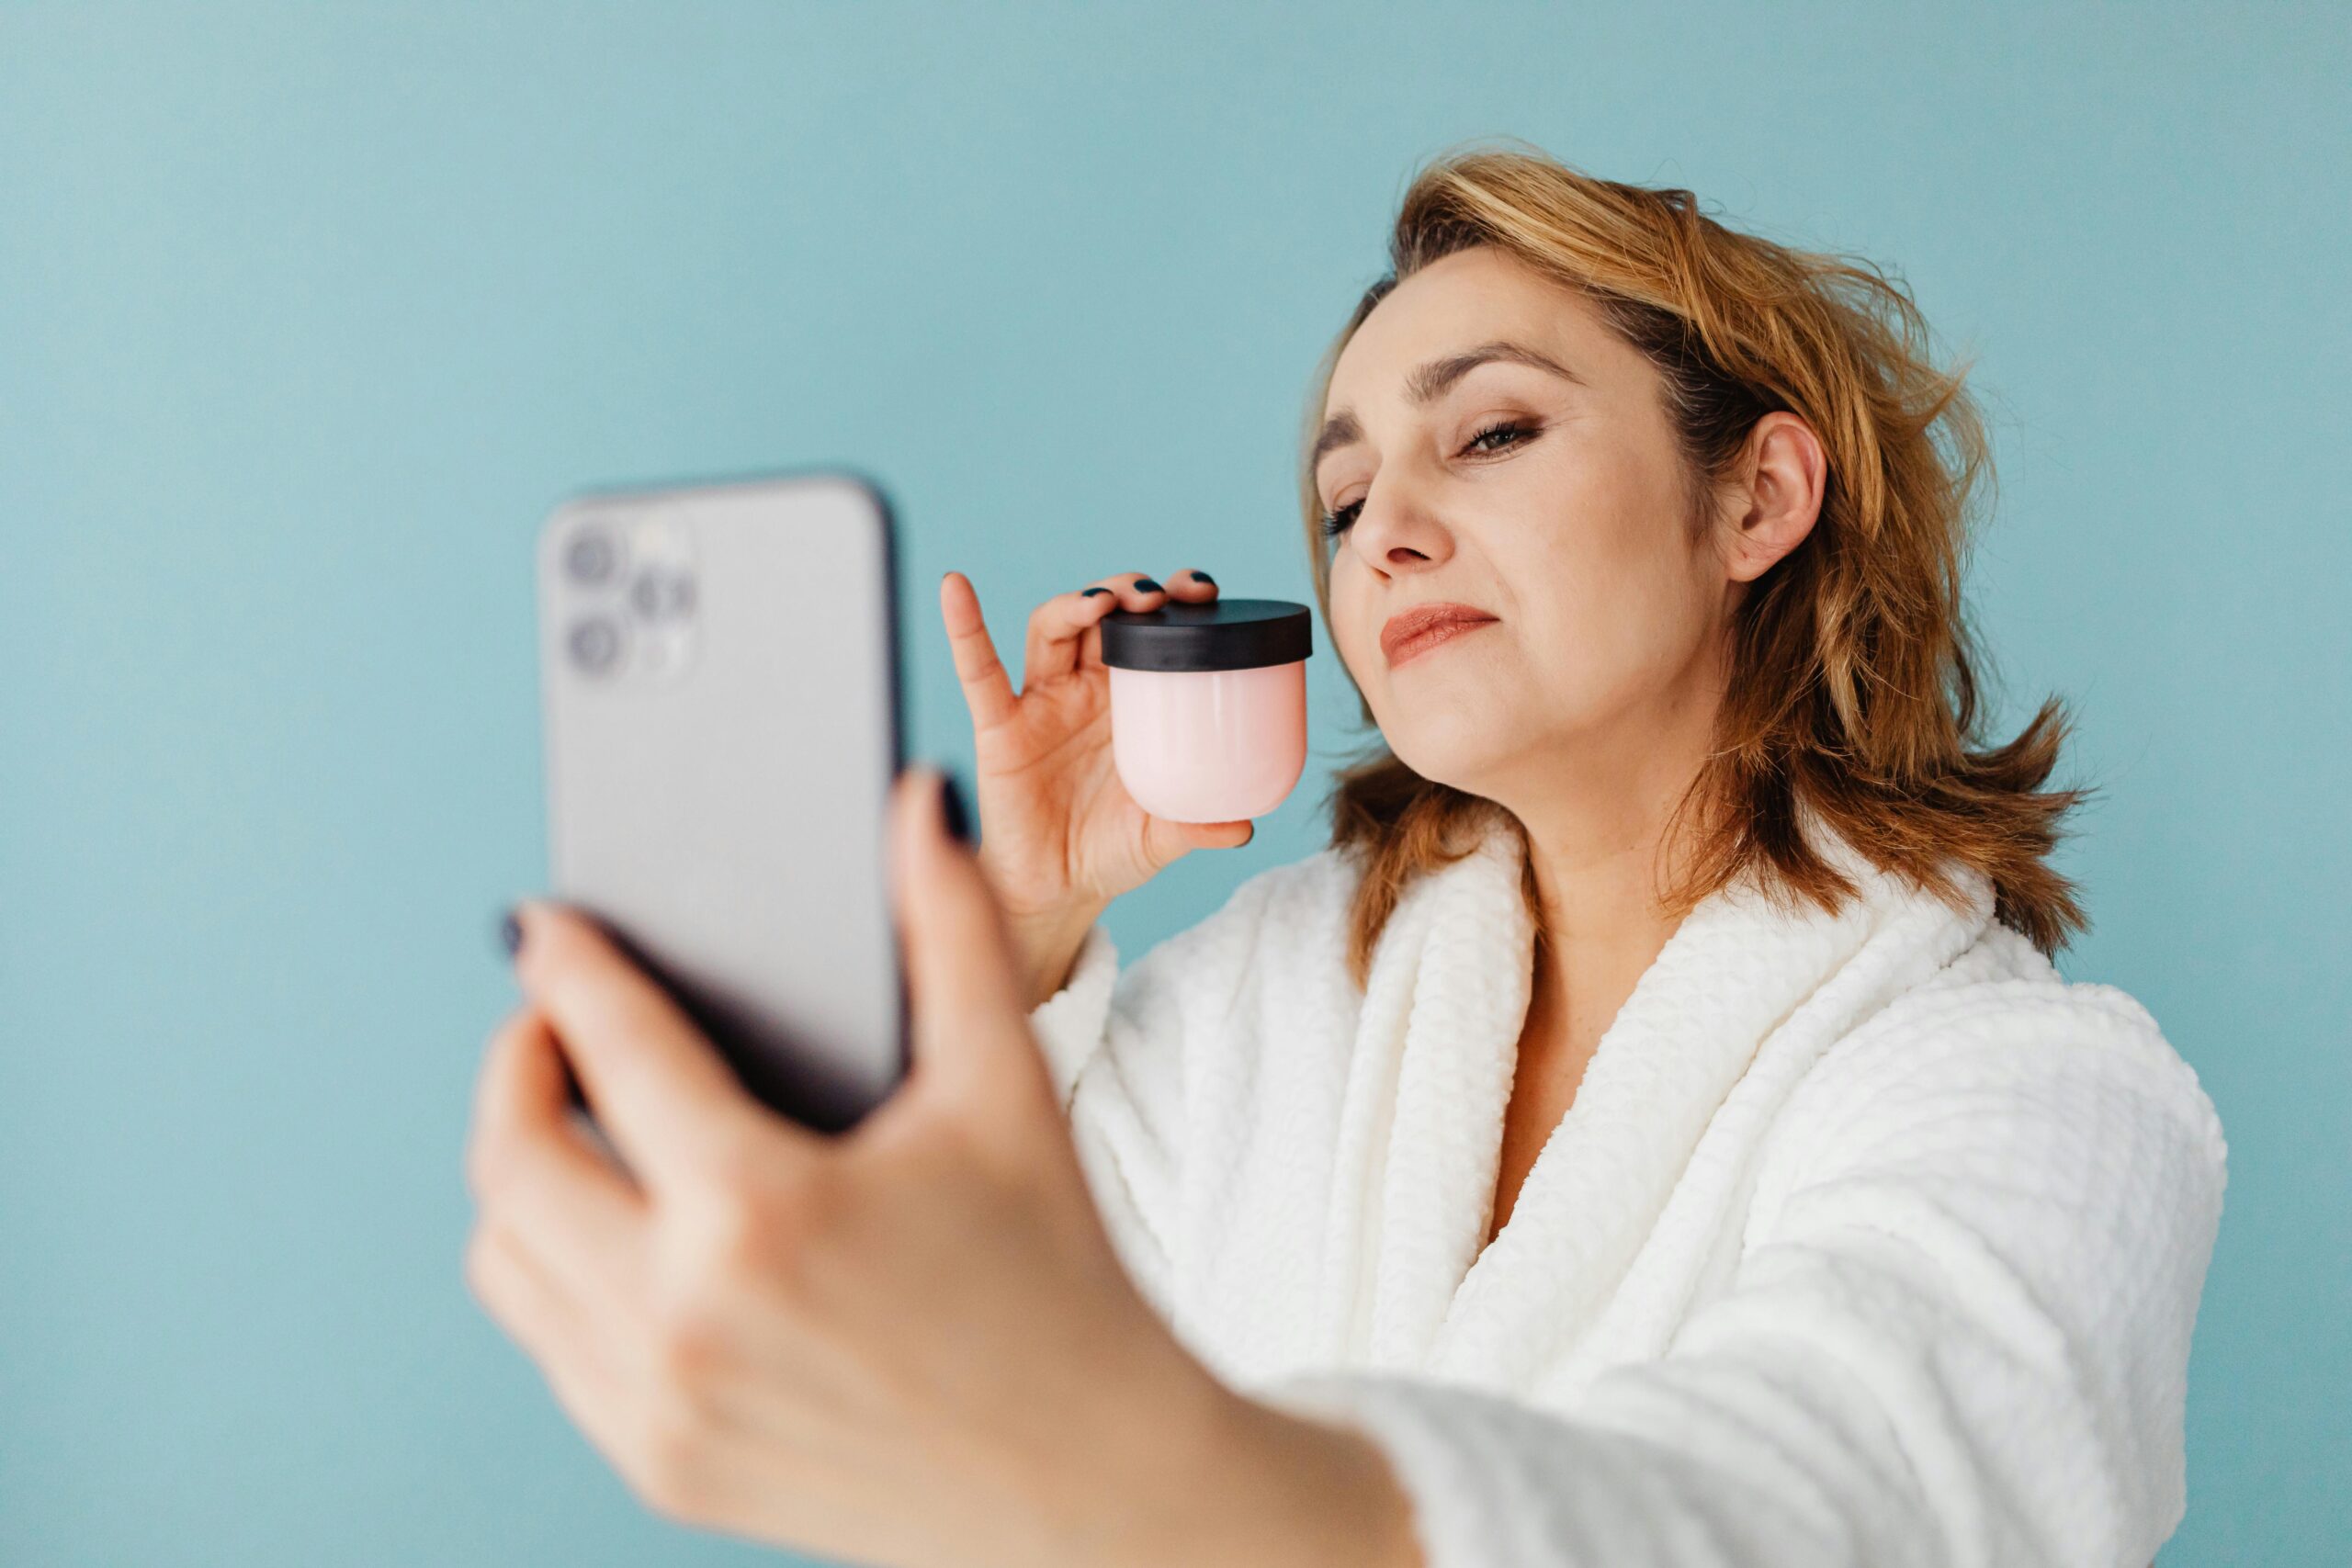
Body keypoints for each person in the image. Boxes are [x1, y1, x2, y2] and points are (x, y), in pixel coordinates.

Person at [466, 144, 2227, 1568]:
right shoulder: (1275, 1000)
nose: (1384, 534)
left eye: (1492, 433)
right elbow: (946, 1266)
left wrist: (1102, 1464)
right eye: (1340, 498)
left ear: (1758, 497)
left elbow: (1850, 1510)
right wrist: (1025, 917)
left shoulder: (2038, 1098)